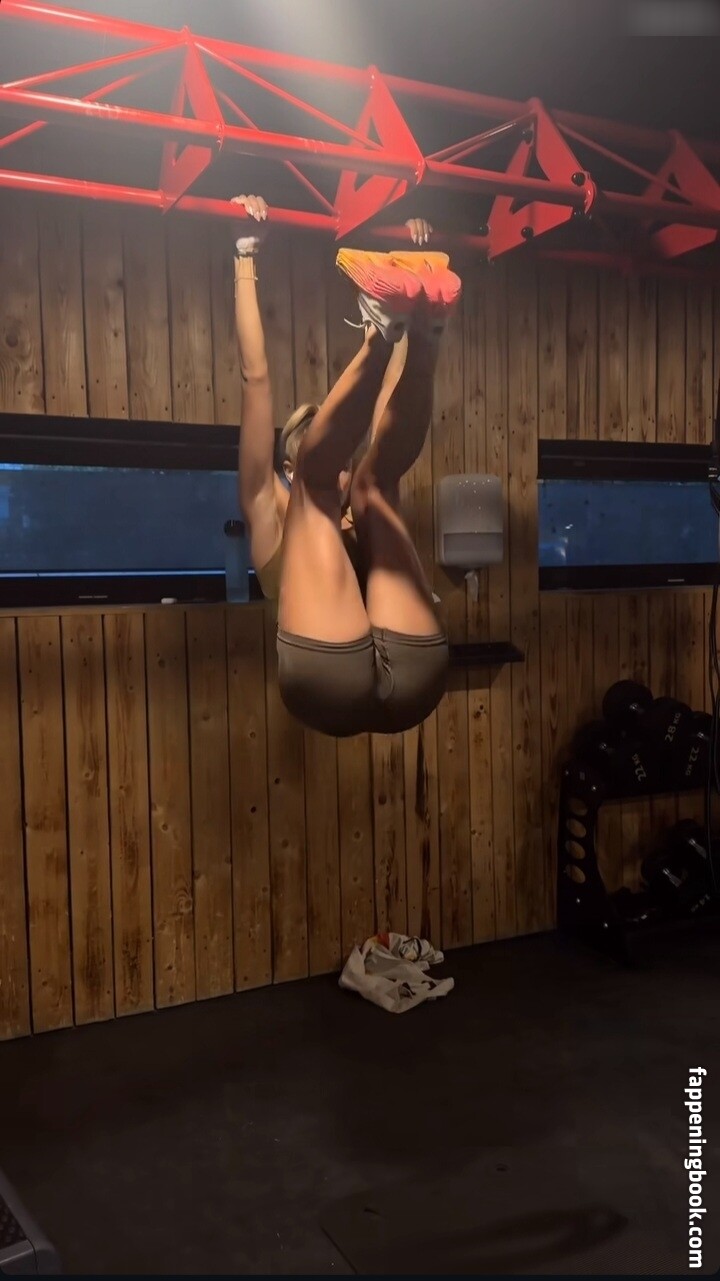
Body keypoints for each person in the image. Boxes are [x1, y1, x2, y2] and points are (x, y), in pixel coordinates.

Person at [232, 193, 461, 738]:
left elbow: (389, 399)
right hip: (335, 681)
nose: (337, 466)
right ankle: (385, 331)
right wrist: (244, 259)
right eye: (317, 449)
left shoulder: (358, 502)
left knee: (374, 481)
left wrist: (406, 269)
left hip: (407, 675)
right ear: (287, 466)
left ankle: (422, 333)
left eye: (338, 454)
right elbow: (255, 378)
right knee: (351, 487)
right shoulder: (272, 504)